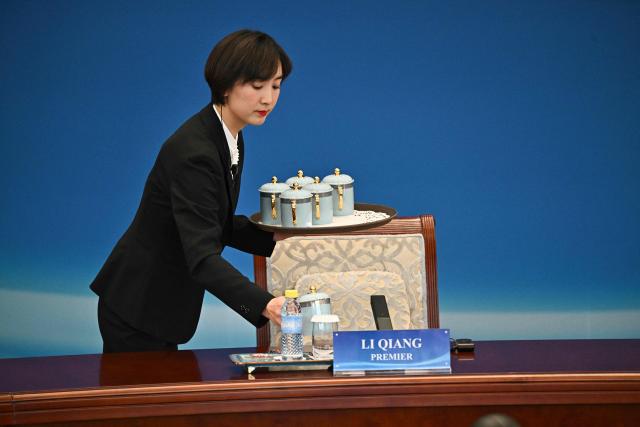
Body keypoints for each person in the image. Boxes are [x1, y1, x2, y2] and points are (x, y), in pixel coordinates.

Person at [90, 29, 292, 353]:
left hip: (160, 307)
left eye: (276, 85)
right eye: (257, 86)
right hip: (138, 309)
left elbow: (213, 222)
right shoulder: (195, 152)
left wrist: (276, 235)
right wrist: (266, 305)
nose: (268, 98)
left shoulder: (229, 135)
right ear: (225, 86)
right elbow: (201, 257)